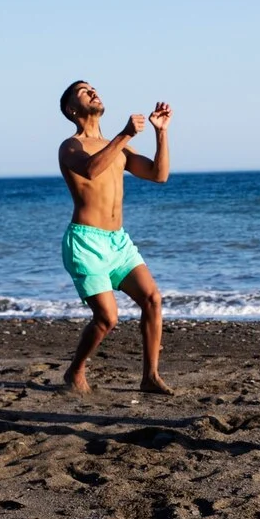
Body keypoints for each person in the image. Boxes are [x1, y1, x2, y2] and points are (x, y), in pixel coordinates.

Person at [58, 80, 173, 396]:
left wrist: (160, 132)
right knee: (107, 319)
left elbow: (158, 175)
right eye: (84, 91)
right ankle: (75, 370)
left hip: (118, 242)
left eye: (93, 88)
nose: (93, 91)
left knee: (152, 299)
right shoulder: (70, 146)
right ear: (72, 109)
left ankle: (150, 376)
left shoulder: (118, 146)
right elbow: (92, 170)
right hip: (85, 243)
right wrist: (126, 135)